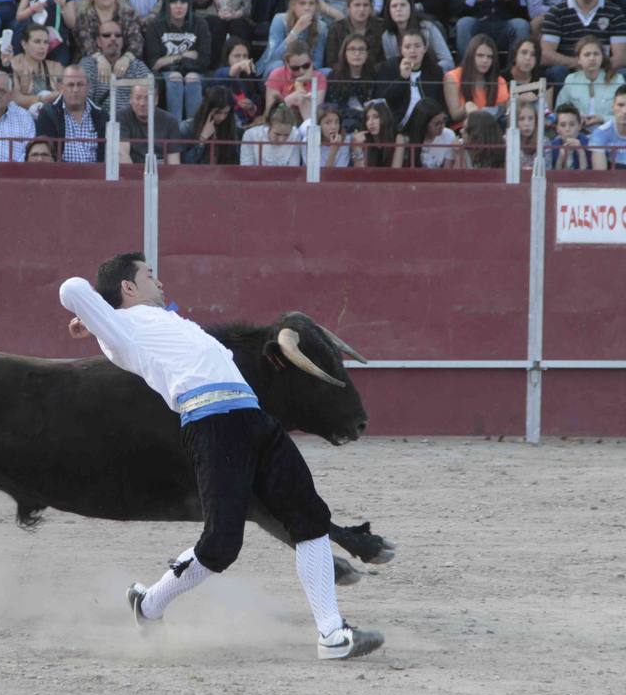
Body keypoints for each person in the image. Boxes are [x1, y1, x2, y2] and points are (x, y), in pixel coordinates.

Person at [58, 255, 383, 661]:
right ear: (127, 288)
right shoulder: (121, 331)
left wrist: (93, 317)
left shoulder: (163, 321)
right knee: (221, 543)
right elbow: (71, 287)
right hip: (211, 424)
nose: (159, 282)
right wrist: (98, 315)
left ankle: (332, 634)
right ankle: (150, 604)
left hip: (253, 415)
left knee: (310, 517)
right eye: (149, 276)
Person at [539, 0, 626, 85]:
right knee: (557, 71)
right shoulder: (557, 12)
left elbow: (621, 58)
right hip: (569, 72)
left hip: (603, 73)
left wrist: (595, 69)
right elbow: (546, 55)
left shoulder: (615, 13)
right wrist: (580, 64)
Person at [144, 0, 208, 121]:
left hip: (194, 73)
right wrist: (183, 55)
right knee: (175, 77)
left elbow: (204, 61)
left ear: (189, 5)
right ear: (167, 4)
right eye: (173, 2)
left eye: (183, 2)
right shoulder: (155, 26)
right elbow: (154, 64)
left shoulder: (200, 24)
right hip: (167, 74)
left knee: (192, 77)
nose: (179, 6)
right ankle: (175, 127)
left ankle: (194, 129)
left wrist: (167, 59)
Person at [31, 63, 106, 162]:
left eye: (80, 84)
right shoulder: (48, 114)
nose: (75, 90)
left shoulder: (102, 115)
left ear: (88, 87)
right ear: (61, 87)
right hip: (60, 175)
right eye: (71, 85)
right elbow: (47, 155)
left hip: (95, 175)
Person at [380, 27, 447, 130]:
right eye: (407, 47)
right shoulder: (389, 67)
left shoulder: (435, 71)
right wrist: (403, 78)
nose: (412, 51)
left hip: (428, 127)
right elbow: (386, 100)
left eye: (417, 46)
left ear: (425, 48)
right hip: (398, 128)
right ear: (401, 50)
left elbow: (439, 103)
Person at [79, 17, 150, 113]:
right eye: (106, 35)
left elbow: (150, 94)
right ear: (98, 42)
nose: (113, 38)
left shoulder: (136, 66)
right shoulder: (88, 64)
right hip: (99, 122)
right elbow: (82, 101)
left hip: (129, 123)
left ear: (123, 41)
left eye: (118, 35)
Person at [255, 0, 324, 76]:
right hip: (278, 71)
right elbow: (274, 57)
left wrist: (302, 70)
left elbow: (318, 62)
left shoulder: (321, 27)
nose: (307, 8)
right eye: (302, 3)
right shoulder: (279, 20)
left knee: (327, 72)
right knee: (278, 65)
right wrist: (295, 31)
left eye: (311, 3)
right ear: (293, 5)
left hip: (305, 72)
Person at [555, 35, 623, 129]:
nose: (592, 58)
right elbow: (559, 112)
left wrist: (602, 118)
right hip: (578, 133)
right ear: (579, 59)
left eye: (596, 54)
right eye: (587, 54)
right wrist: (576, 118)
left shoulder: (617, 79)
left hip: (609, 133)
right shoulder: (571, 80)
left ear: (602, 57)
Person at [74, 0, 144, 60]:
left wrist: (126, 59)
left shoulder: (128, 14)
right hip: (92, 62)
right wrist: (100, 60)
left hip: (124, 62)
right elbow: (86, 45)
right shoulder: (83, 17)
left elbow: (136, 42)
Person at [444, 33, 508, 127]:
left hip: (490, 131)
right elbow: (455, 115)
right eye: (480, 55)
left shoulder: (499, 81)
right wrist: (466, 108)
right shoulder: (452, 76)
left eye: (489, 57)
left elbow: (502, 110)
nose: (485, 60)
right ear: (471, 55)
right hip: (463, 130)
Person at [383, 0, 453, 73]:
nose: (398, 9)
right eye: (394, 6)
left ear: (411, 8)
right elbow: (392, 67)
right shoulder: (387, 36)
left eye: (403, 5)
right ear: (389, 11)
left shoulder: (428, 28)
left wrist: (428, 73)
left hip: (430, 78)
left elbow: (448, 62)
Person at [116, 79, 181, 164]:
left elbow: (174, 162)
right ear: (131, 99)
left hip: (162, 171)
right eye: (138, 98)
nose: (142, 103)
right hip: (132, 171)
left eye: (147, 98)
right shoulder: (121, 116)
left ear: (156, 100)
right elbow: (122, 154)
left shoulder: (170, 121)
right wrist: (134, 176)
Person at [2, 22, 62, 110]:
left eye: (46, 42)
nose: (43, 47)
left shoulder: (55, 66)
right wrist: (43, 99)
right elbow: (16, 99)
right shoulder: (14, 64)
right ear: (24, 44)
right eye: (37, 42)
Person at [263, 40, 325, 124]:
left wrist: (299, 83)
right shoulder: (276, 75)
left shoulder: (319, 77)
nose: (301, 71)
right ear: (286, 64)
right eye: (295, 68)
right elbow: (270, 113)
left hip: (306, 125)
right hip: (281, 124)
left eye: (306, 66)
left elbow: (312, 117)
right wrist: (288, 101)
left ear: (311, 61)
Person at [327, 0, 387, 74]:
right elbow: (331, 61)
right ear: (348, 8)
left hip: (374, 75)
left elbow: (383, 60)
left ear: (371, 8)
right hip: (344, 75)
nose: (361, 9)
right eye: (357, 5)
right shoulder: (336, 28)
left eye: (366, 5)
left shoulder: (380, 26)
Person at [180, 84, 241, 164]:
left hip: (223, 174)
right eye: (218, 113)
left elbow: (235, 161)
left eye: (226, 113)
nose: (222, 117)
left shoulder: (232, 127)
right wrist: (202, 139)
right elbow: (185, 163)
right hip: (195, 175)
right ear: (207, 109)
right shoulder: (186, 128)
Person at [211, 36, 263, 125]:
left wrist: (251, 107)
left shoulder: (249, 79)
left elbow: (256, 105)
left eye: (245, 56)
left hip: (245, 124)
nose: (242, 60)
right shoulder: (220, 73)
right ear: (227, 57)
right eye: (237, 56)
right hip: (225, 122)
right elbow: (230, 72)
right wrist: (240, 65)